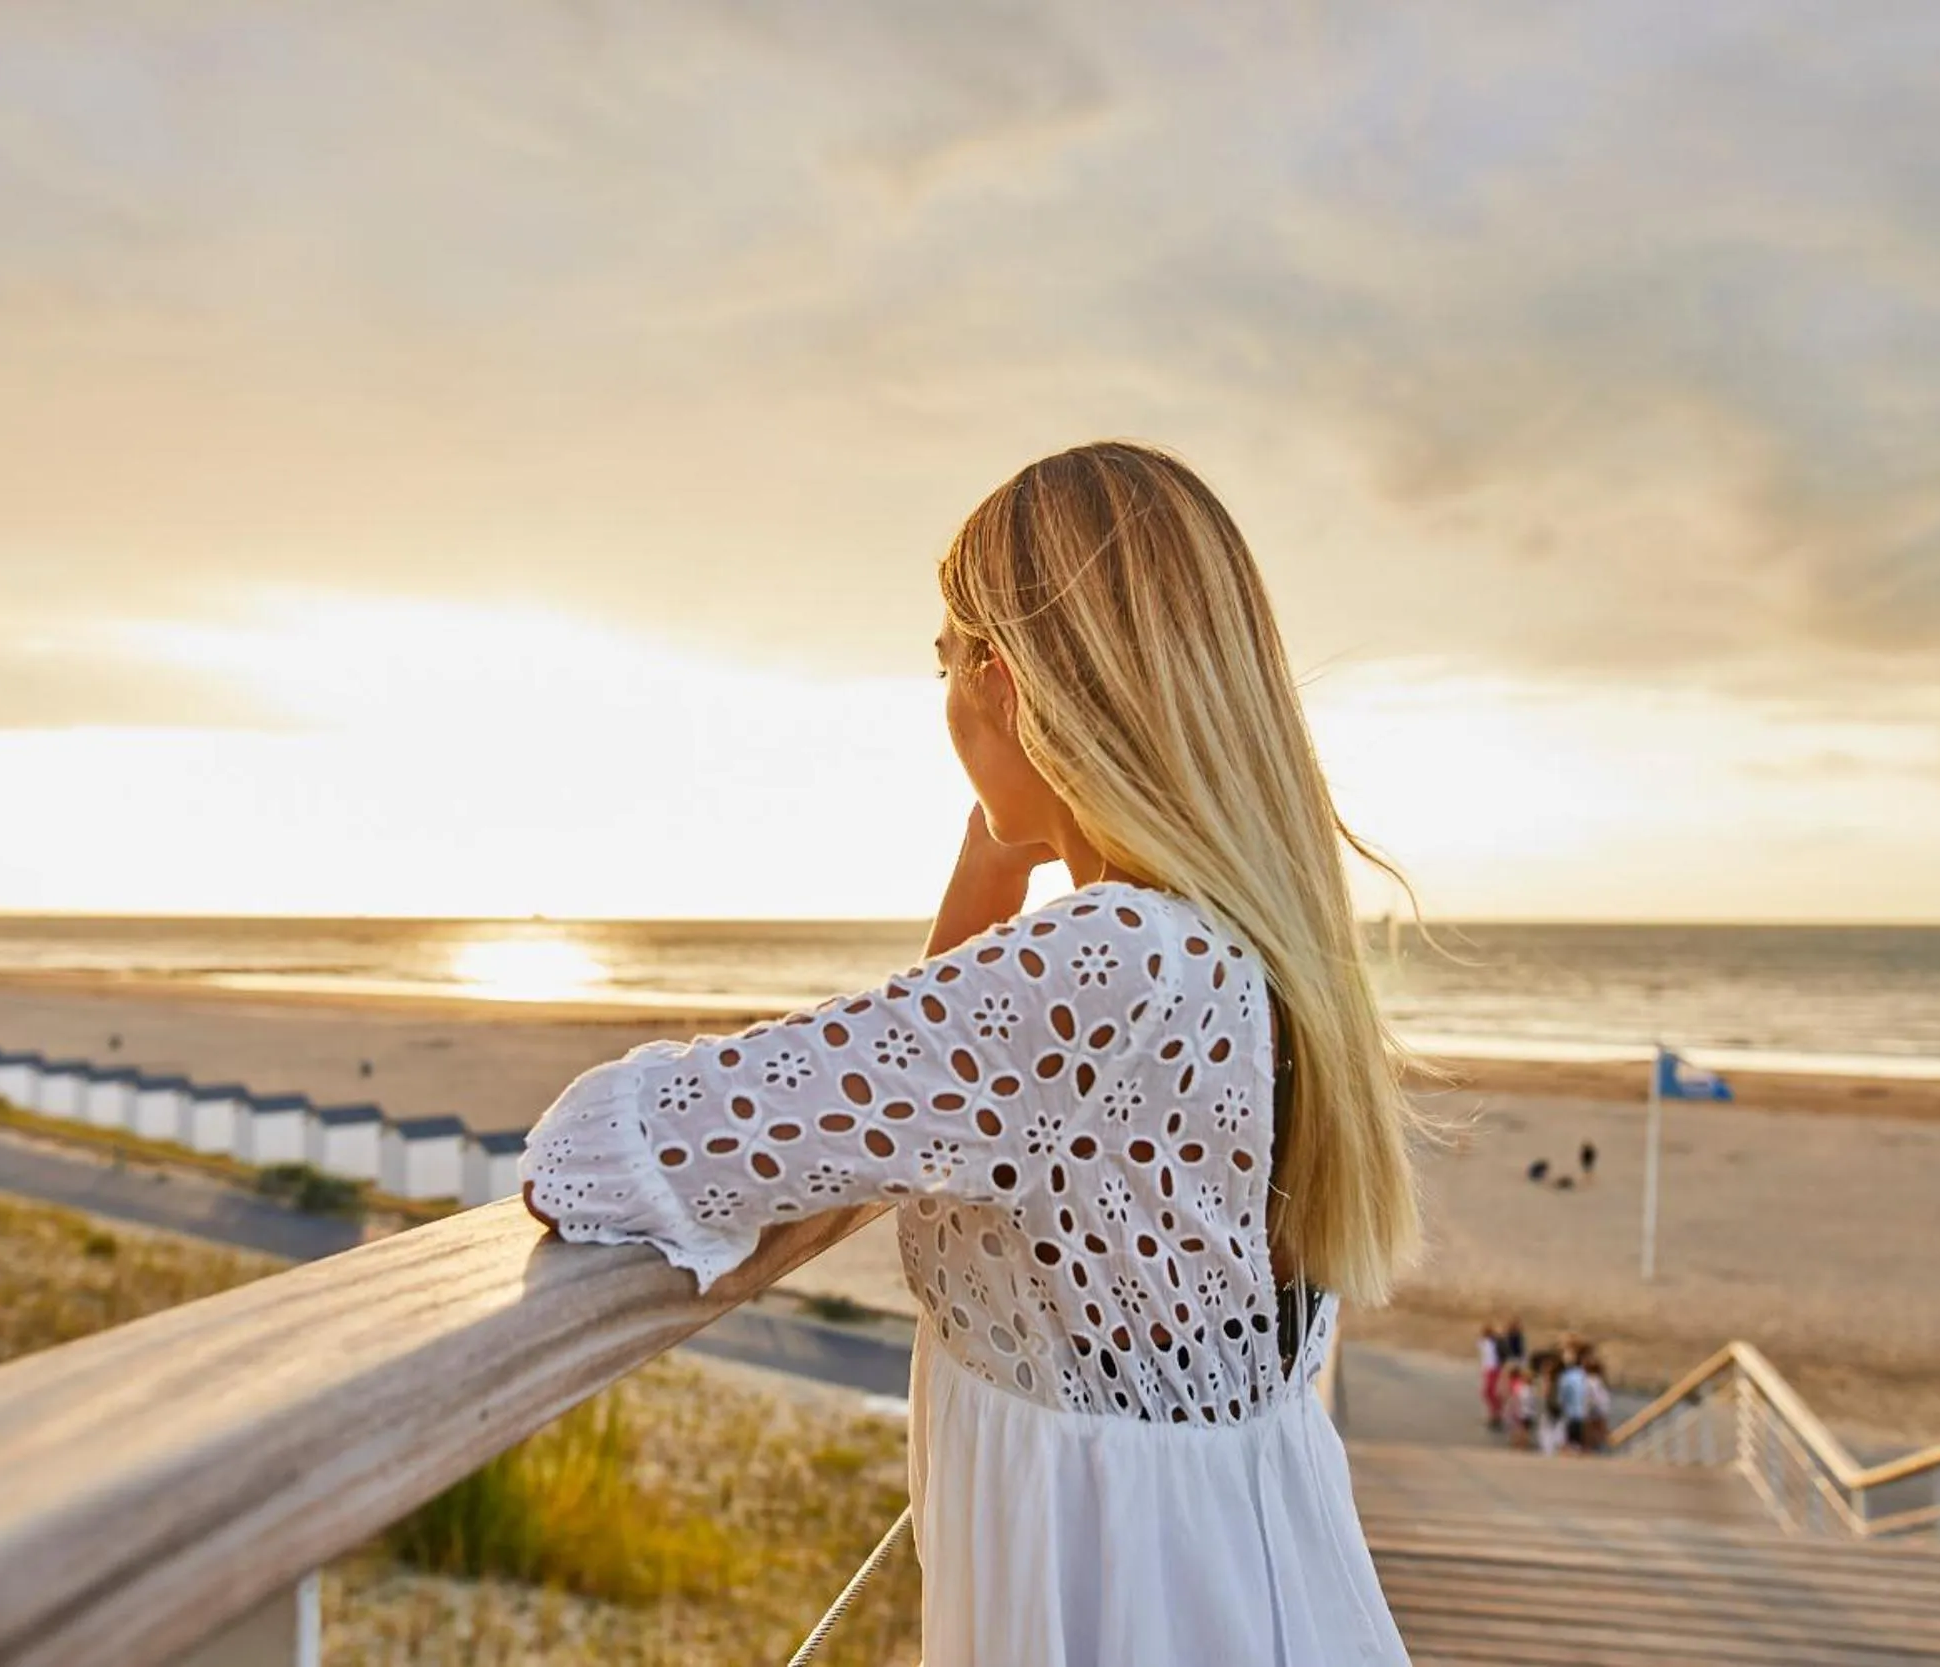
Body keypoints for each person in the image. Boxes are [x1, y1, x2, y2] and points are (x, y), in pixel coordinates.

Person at [517, 442, 1426, 1665]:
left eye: (942, 660)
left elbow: (593, 1154)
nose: (942, 699)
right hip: (1251, 1586)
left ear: (1002, 684)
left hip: (1136, 1619)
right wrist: (997, 857)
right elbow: (946, 1075)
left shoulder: (1112, 961)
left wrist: (996, 853)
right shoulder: (1257, 943)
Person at [1478, 1324, 1505, 1429]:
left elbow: (1502, 1340)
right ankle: (1494, 1413)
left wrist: (1497, 1333)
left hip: (1495, 1369)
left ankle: (1496, 1414)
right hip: (1487, 1369)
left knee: (1492, 1392)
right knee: (1487, 1392)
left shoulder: (1496, 1343)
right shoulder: (1483, 1342)